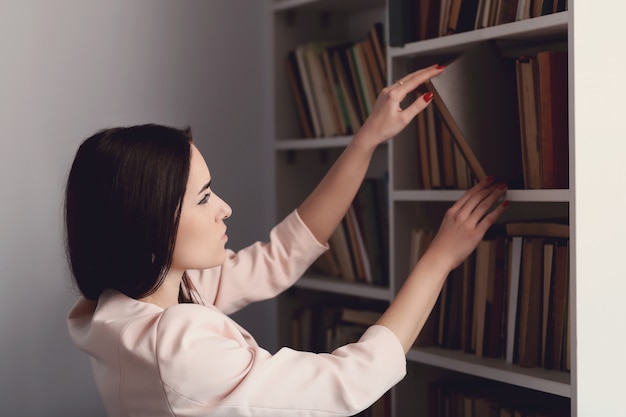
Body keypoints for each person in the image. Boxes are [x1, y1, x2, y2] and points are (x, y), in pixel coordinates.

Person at [65, 64, 509, 417]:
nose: (225, 207)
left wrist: (368, 140)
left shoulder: (127, 309)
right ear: (149, 222)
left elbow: (282, 255)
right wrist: (440, 258)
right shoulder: (177, 346)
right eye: (203, 198)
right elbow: (351, 383)